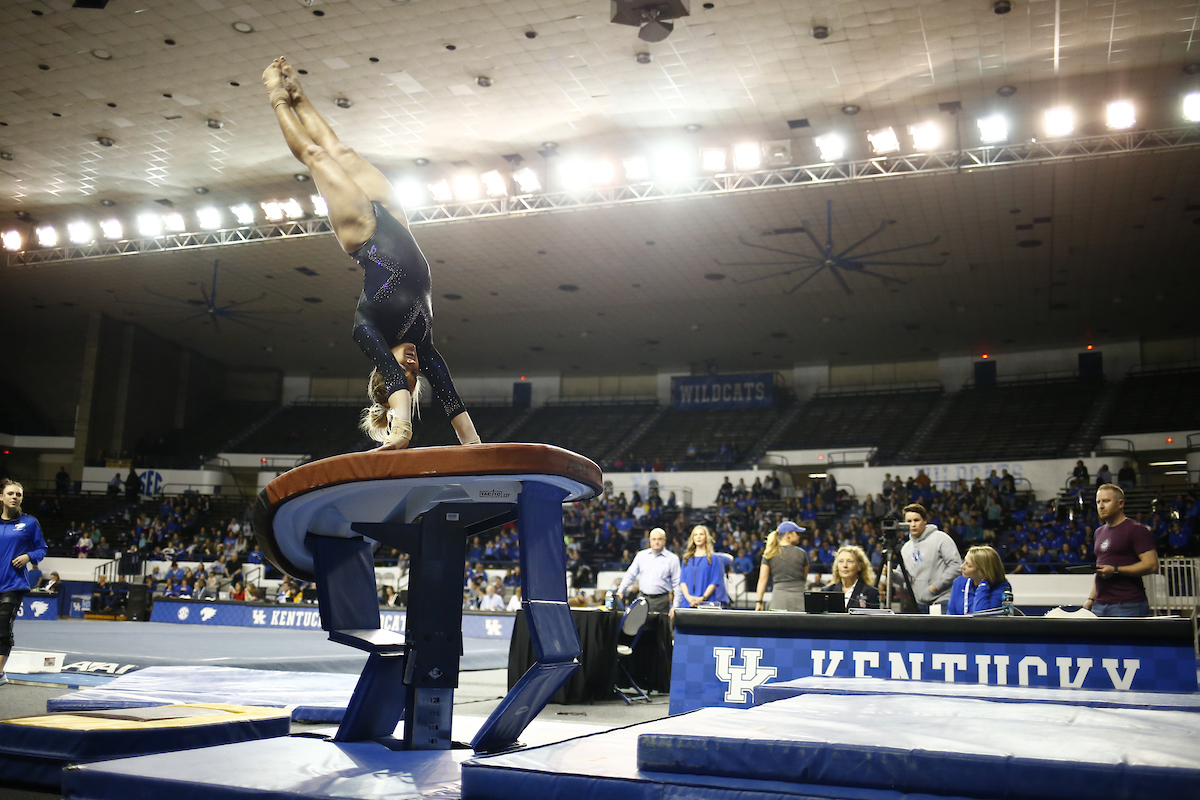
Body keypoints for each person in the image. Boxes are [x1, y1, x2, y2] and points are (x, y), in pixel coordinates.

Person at [263, 56, 480, 450]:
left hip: (363, 235)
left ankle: (276, 96)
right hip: (398, 222)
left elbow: (394, 380)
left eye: (404, 370)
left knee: (318, 157)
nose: (412, 365)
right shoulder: (424, 345)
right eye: (416, 374)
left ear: (385, 369)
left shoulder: (368, 331)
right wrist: (475, 447)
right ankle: (298, 92)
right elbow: (449, 396)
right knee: (342, 152)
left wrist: (401, 431)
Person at [1085, 484, 1158, 617]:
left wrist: (1116, 570)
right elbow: (1101, 569)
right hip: (1100, 605)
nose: (1101, 506)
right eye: (1098, 502)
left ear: (1121, 503)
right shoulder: (1098, 532)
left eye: (1106, 501)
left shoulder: (1136, 530)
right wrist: (1091, 600)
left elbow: (1152, 565)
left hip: (1128, 604)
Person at [0, 481, 47, 683]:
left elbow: (41, 549)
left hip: (14, 584)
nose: (14, 497)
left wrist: (28, 556)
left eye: (18, 494)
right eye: (10, 493)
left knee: (3, 624)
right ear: (1, 497)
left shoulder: (29, 523)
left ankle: (0, 672)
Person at [880, 503, 962, 613]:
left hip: (942, 599)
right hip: (918, 603)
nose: (913, 524)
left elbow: (956, 567)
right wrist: (891, 573)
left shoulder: (941, 538)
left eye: (916, 520)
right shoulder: (906, 548)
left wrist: (934, 587)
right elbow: (903, 577)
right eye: (909, 521)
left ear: (924, 521)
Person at [617, 527, 680, 614]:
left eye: (659, 539)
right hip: (642, 599)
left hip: (662, 601)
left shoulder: (673, 559)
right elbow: (630, 575)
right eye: (654, 539)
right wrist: (621, 590)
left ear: (664, 540)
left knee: (660, 627)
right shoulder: (641, 556)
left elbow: (677, 584)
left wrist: (675, 606)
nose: (656, 542)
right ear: (649, 540)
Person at [754, 521, 809, 612]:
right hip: (800, 601)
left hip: (779, 601)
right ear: (788, 534)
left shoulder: (769, 554)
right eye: (796, 533)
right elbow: (804, 577)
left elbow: (762, 580)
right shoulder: (801, 553)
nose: (799, 536)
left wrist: (759, 602)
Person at [947, 545, 1011, 615]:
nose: (962, 566)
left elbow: (981, 616)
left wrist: (983, 584)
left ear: (982, 570)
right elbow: (951, 614)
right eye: (964, 562)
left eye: (968, 565)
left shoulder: (1002, 587)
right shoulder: (959, 583)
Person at [676, 525, 727, 609]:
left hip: (706, 603)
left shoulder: (712, 558)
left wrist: (702, 598)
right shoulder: (687, 558)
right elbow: (682, 581)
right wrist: (689, 598)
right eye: (695, 535)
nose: (698, 537)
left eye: (701, 534)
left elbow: (714, 582)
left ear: (706, 537)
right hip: (687, 603)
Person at [821, 545, 879, 609]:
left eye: (850, 561)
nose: (845, 565)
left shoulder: (870, 592)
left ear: (859, 566)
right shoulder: (827, 591)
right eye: (841, 561)